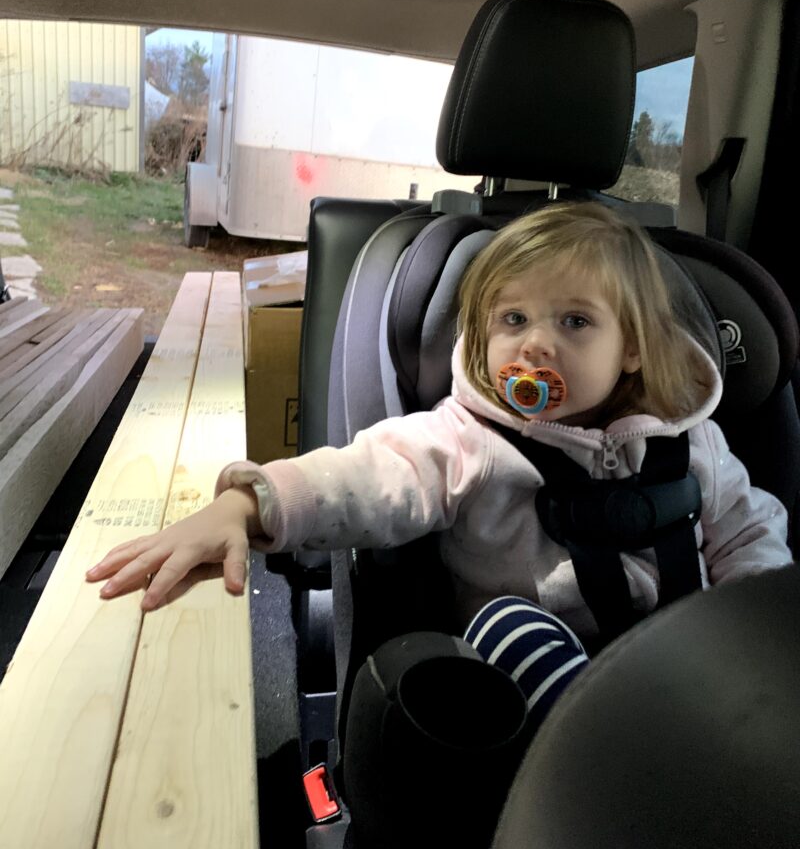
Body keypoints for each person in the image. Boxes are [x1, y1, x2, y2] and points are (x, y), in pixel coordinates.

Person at [86, 201, 792, 722]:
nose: (536, 344)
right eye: (513, 321)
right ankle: (592, 759)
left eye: (575, 322)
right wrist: (249, 501)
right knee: (510, 629)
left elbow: (745, 532)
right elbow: (366, 476)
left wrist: (750, 637)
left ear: (633, 347)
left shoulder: (691, 442)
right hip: (532, 680)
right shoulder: (468, 439)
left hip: (679, 668)